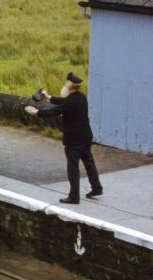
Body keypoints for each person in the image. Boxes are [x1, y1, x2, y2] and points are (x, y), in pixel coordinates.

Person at [25, 72, 102, 204]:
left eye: (66, 83)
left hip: (74, 139)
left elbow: (54, 111)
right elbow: (64, 102)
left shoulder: (70, 103)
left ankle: (74, 196)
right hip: (86, 136)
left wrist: (36, 112)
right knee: (89, 162)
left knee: (73, 167)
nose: (64, 86)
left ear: (70, 85)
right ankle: (96, 188)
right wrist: (48, 97)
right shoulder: (81, 97)